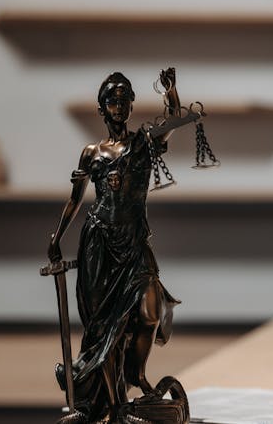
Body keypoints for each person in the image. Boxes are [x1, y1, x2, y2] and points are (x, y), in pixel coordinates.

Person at [46, 69, 184, 422]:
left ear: (132, 105)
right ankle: (116, 408)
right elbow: (75, 200)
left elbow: (172, 120)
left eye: (124, 99)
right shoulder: (91, 152)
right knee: (104, 331)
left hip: (134, 242)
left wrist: (171, 92)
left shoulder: (143, 143)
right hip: (99, 245)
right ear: (102, 109)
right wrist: (56, 238)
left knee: (150, 309)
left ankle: (136, 374)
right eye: (112, 100)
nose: (119, 105)